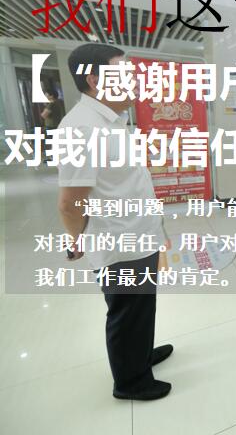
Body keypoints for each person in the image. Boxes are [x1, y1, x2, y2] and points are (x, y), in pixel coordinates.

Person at [56, 43, 173, 400]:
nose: (135, 82)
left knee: (142, 306)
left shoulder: (111, 120)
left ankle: (140, 356)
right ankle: (130, 381)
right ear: (95, 80)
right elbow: (70, 203)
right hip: (119, 243)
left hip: (139, 233)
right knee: (127, 312)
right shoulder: (80, 128)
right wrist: (77, 240)